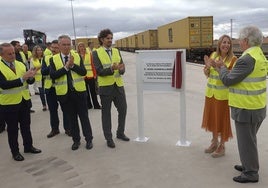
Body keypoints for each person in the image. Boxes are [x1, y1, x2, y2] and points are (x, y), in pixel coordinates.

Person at [215, 26, 266, 183]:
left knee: (246, 142)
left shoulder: (246, 59)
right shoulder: (259, 55)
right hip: (257, 106)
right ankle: (248, 165)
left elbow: (229, 80)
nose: (238, 42)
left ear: (246, 40)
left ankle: (250, 173)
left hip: (246, 108)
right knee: (249, 140)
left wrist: (222, 68)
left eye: (239, 39)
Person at [50, 35, 93, 150]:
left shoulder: (77, 56)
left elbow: (83, 72)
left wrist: (72, 65)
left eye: (68, 44)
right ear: (59, 46)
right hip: (65, 95)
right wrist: (66, 68)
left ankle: (89, 139)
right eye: (64, 44)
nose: (66, 47)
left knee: (84, 117)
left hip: (79, 93)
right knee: (72, 119)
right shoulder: (53, 59)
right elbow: (53, 75)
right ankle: (76, 140)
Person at [0, 43, 41, 161]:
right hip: (9, 104)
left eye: (13, 52)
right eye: (9, 54)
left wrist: (31, 77)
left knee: (26, 127)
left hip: (24, 101)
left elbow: (29, 82)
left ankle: (28, 146)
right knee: (12, 130)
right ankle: (15, 152)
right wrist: (23, 78)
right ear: (1, 54)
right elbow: (3, 85)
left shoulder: (20, 64)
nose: (13, 55)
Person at [92, 29, 129, 148]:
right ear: (102, 39)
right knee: (106, 114)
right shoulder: (96, 53)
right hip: (105, 88)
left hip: (118, 86)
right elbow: (99, 71)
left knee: (123, 110)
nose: (110, 40)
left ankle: (120, 133)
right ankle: (108, 138)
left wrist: (122, 69)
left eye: (111, 38)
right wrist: (112, 69)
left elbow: (122, 68)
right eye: (108, 38)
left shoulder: (116, 51)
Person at [201, 35, 237, 158]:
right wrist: (207, 67)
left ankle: (222, 146)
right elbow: (207, 73)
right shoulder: (213, 55)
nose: (226, 45)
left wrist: (218, 67)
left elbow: (230, 78)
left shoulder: (233, 59)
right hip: (210, 93)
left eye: (228, 43)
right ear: (219, 44)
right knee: (212, 118)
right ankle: (214, 142)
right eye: (223, 42)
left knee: (221, 120)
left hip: (223, 96)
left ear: (230, 45)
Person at [41, 40, 71, 138]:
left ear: (60, 47)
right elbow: (43, 72)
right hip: (50, 89)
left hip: (62, 87)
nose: (53, 50)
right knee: (53, 110)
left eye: (56, 48)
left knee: (66, 110)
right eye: (52, 48)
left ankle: (68, 129)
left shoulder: (66, 58)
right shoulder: (46, 58)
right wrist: (52, 64)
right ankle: (55, 129)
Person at [10, 40, 35, 113]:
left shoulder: (21, 54)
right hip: (10, 101)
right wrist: (23, 78)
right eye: (18, 45)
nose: (19, 47)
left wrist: (30, 76)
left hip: (24, 95)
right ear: (12, 46)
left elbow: (25, 64)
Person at [77, 42, 101, 109]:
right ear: (78, 48)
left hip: (90, 76)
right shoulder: (77, 56)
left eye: (82, 46)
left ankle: (96, 105)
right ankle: (88, 105)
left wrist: (95, 74)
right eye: (80, 46)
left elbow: (92, 65)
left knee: (93, 92)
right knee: (86, 93)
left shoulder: (89, 54)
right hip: (82, 77)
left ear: (84, 47)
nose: (81, 47)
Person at [31, 45, 47, 111]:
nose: (40, 51)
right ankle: (44, 105)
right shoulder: (33, 59)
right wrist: (37, 68)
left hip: (46, 77)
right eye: (38, 50)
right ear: (35, 51)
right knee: (41, 92)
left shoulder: (45, 58)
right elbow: (31, 69)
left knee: (48, 92)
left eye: (40, 50)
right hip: (38, 78)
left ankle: (49, 103)